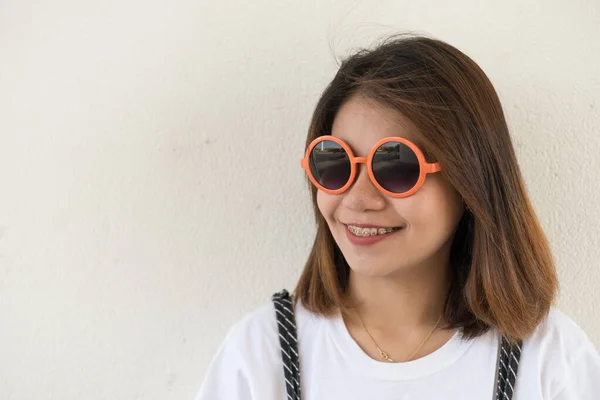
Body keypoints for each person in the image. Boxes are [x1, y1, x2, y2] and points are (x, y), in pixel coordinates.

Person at [195, 34, 600, 399]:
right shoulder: (260, 356)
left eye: (396, 166)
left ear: (469, 181)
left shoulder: (550, 360)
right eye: (335, 163)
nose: (358, 198)